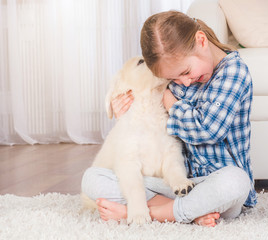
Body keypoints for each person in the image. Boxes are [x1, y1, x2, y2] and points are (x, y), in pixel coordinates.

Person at [81, 11, 257, 227]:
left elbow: (208, 130)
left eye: (185, 72)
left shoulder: (234, 73)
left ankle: (151, 213)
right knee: (92, 179)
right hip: (179, 186)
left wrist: (169, 100)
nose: (183, 82)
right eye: (173, 79)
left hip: (216, 187)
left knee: (237, 181)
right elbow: (150, 120)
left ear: (201, 41)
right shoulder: (181, 78)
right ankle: (185, 211)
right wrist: (125, 114)